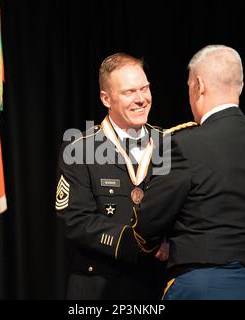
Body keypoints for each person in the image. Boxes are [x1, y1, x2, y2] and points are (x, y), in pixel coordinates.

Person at [119, 45, 245, 299]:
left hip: (200, 284)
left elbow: (149, 223)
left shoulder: (183, 144)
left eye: (189, 85)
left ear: (198, 85)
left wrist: (155, 244)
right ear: (239, 85)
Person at [55, 53, 167, 299]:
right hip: (98, 285)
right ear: (106, 98)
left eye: (145, 88)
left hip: (157, 284)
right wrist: (133, 242)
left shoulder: (170, 143)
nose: (141, 99)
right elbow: (74, 219)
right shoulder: (80, 148)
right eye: (129, 92)